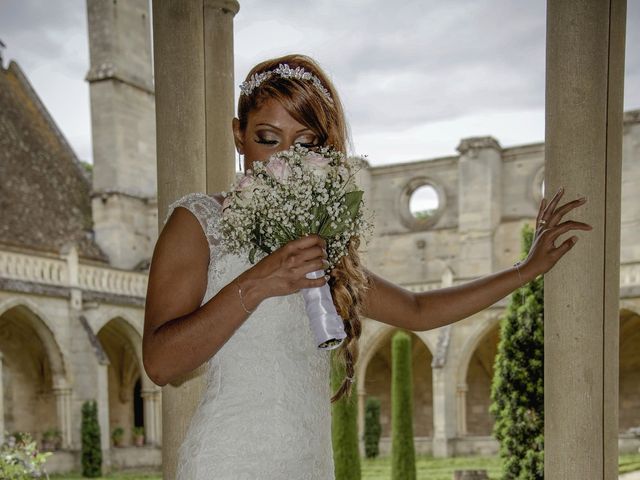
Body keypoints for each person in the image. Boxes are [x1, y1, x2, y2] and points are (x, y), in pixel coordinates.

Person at [142, 53, 592, 479]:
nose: (285, 159)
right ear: (239, 134)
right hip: (227, 462)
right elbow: (161, 364)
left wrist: (526, 268)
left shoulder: (317, 237)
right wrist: (258, 282)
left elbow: (417, 310)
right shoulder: (198, 223)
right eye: (267, 138)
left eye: (305, 143)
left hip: (309, 462)